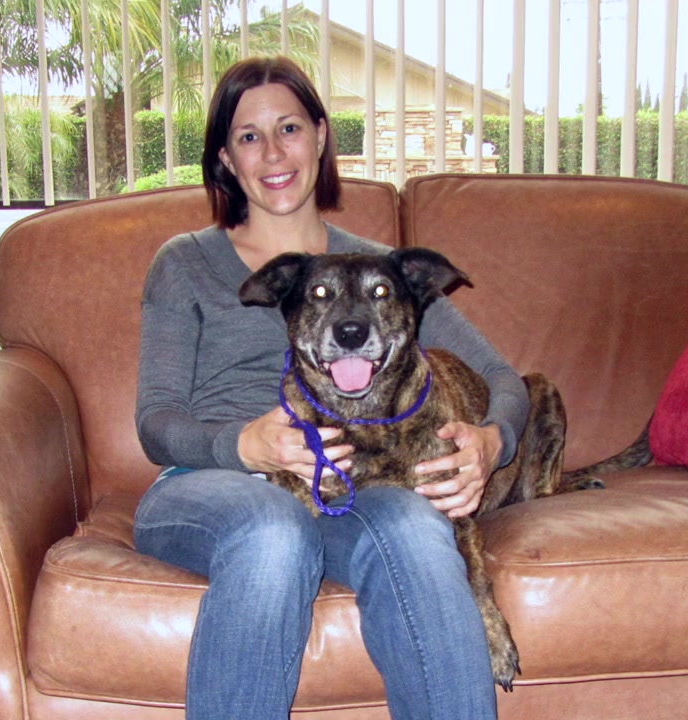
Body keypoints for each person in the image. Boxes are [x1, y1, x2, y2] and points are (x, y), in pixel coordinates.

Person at [133, 55, 530, 720]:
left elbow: (500, 378)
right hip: (210, 484)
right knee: (273, 528)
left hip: (345, 492)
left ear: (320, 135)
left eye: (289, 128)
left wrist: (493, 442)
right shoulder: (185, 263)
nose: (273, 152)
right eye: (249, 136)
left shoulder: (378, 275)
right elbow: (156, 421)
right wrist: (246, 445)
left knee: (416, 525)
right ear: (226, 158)